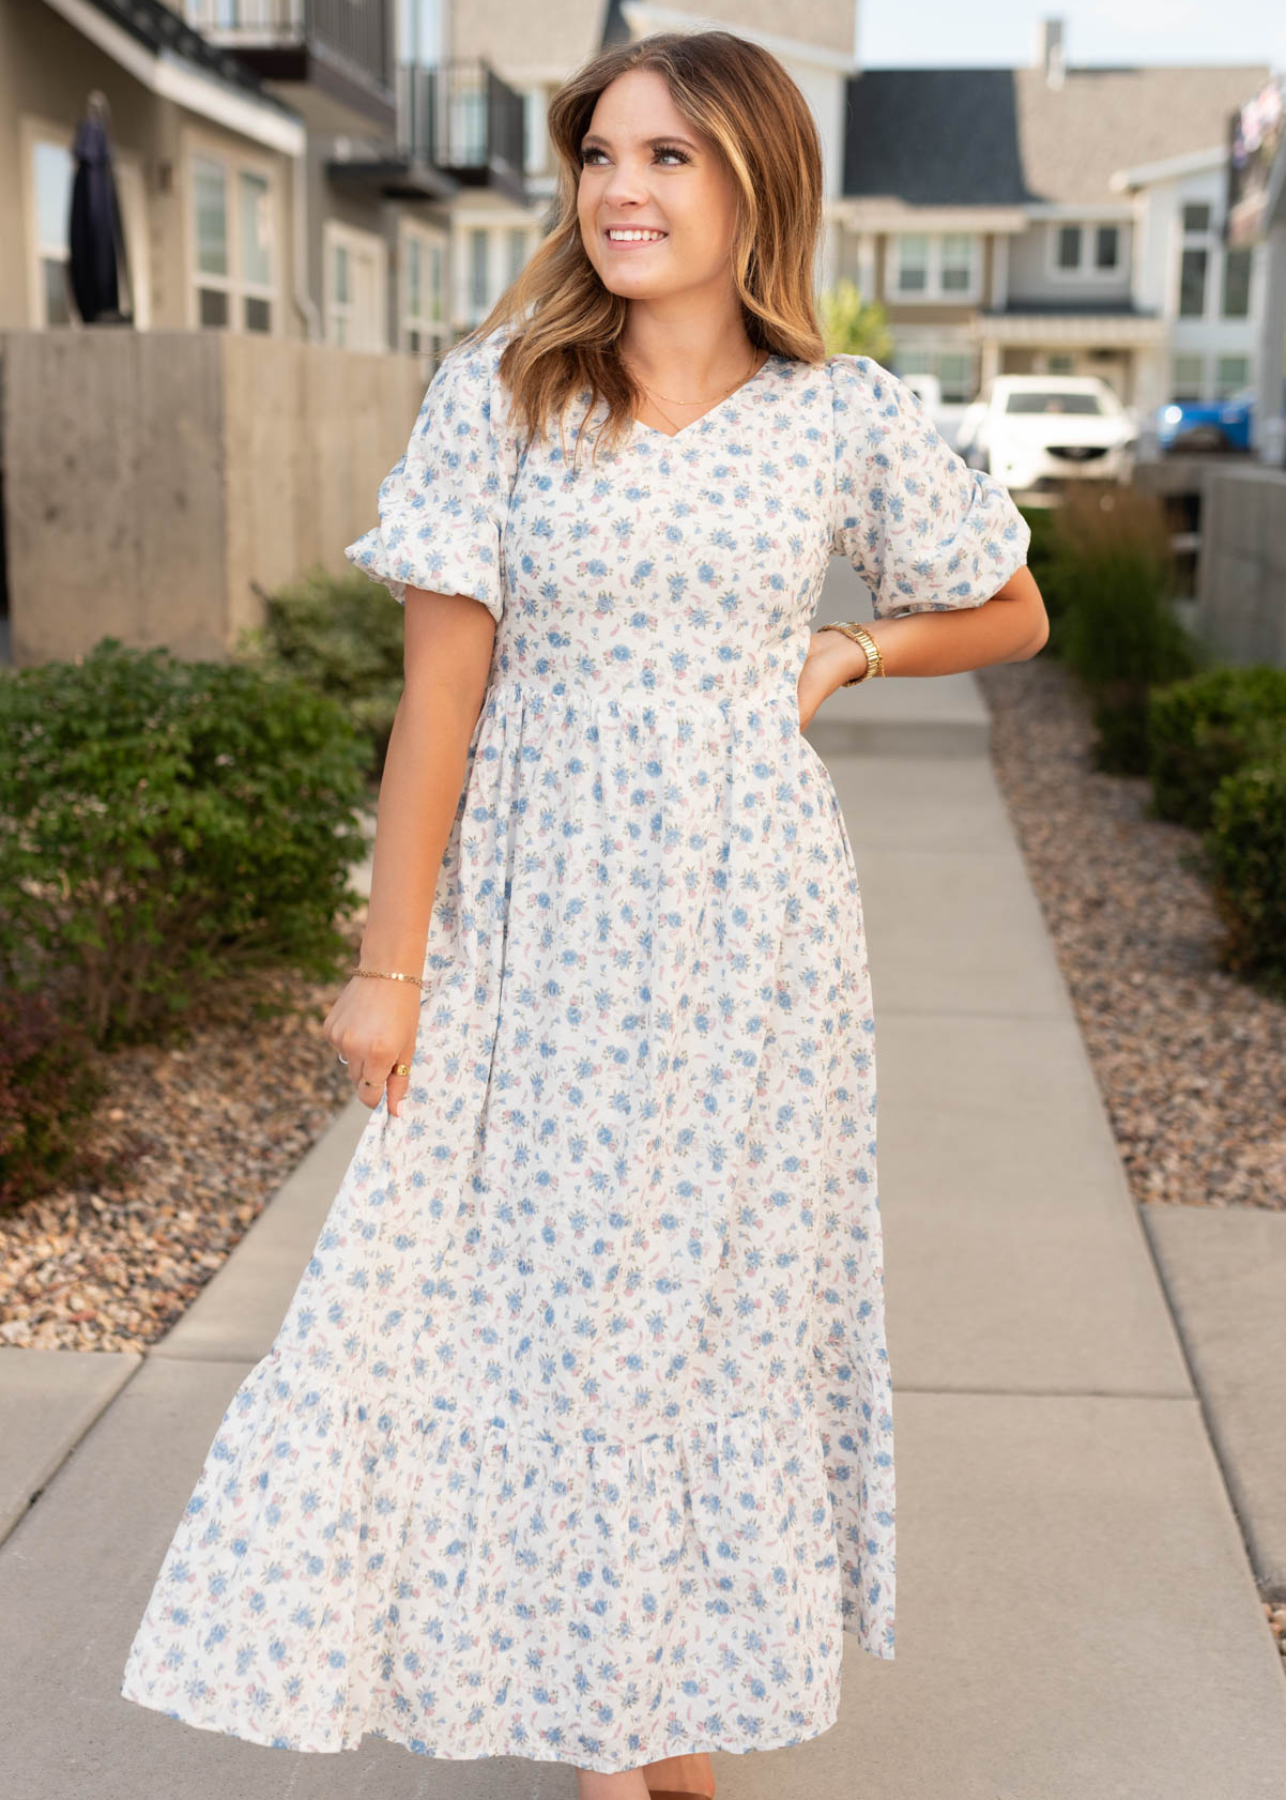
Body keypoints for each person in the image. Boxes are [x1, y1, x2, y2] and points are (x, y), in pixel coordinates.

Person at [118, 27, 1046, 1800]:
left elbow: (1006, 611)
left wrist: (849, 647)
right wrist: (389, 967)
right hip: (536, 925)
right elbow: (437, 705)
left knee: (711, 1310)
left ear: (756, 181)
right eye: (602, 157)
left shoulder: (842, 414)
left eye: (668, 159)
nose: (620, 190)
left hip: (752, 930)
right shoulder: (504, 392)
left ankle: (657, 1700)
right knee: (529, 1312)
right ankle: (598, 1726)